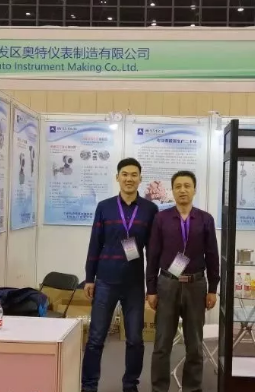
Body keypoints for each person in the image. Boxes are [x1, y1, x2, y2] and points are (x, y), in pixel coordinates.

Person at [81, 158, 159, 392]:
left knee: (135, 339)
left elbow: (152, 251)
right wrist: (89, 278)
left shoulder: (150, 209)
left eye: (134, 174)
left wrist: (152, 286)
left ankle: (130, 385)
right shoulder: (104, 207)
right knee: (96, 338)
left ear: (140, 178)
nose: (129, 179)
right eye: (125, 174)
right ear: (117, 177)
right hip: (106, 280)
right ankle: (89, 386)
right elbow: (95, 243)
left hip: (134, 284)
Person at [146, 170, 220, 392]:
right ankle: (159, 388)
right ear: (172, 190)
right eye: (178, 186)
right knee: (162, 343)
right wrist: (151, 289)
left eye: (187, 186)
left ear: (194, 189)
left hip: (196, 285)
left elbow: (212, 256)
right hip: (167, 284)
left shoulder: (205, 219)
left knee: (195, 344)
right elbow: (153, 255)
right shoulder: (161, 218)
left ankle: (192, 388)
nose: (182, 190)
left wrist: (213, 288)